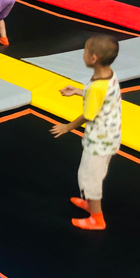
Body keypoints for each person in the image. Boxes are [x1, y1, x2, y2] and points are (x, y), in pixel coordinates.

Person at [50, 35, 122, 231]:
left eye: (84, 51)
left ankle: (97, 218)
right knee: (93, 173)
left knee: (90, 178)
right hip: (110, 136)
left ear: (93, 58)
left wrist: (67, 127)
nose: (82, 54)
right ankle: (90, 205)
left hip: (100, 141)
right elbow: (100, 97)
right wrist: (78, 91)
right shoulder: (109, 75)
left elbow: (88, 115)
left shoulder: (97, 86)